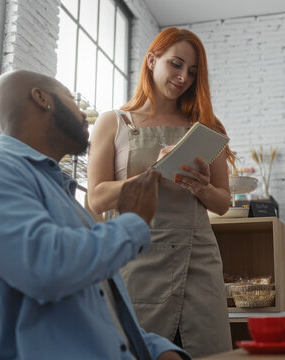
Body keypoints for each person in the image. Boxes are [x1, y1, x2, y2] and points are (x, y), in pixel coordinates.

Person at [0, 69, 189, 360]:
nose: (84, 114)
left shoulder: (63, 198)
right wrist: (133, 222)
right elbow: (47, 267)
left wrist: (158, 351)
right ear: (42, 98)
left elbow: (99, 314)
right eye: (72, 99)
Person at [87, 27, 235, 357]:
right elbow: (96, 198)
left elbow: (224, 203)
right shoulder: (114, 123)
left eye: (192, 72)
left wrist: (203, 188)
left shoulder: (206, 127)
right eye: (176, 64)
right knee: (139, 349)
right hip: (137, 259)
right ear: (152, 60)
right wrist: (152, 173)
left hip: (198, 261)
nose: (183, 77)